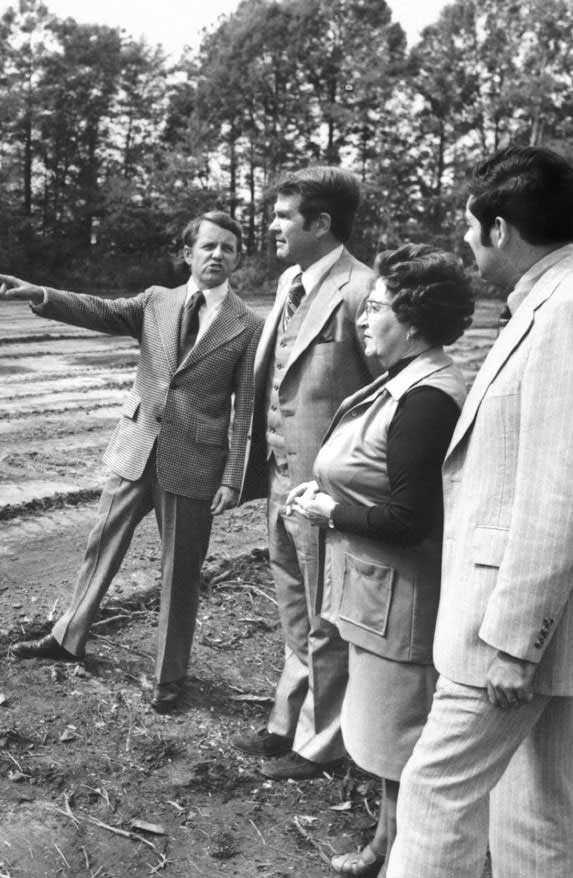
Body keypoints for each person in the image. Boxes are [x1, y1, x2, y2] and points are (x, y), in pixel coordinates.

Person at [386, 146, 573, 878]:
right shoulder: (560, 302)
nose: (467, 249)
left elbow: (565, 491)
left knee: (434, 793)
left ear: (501, 229)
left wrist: (515, 642)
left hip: (509, 625)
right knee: (532, 804)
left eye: (472, 231)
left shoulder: (571, 313)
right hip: (525, 619)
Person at [0, 210, 262, 714]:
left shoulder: (248, 325)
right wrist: (41, 295)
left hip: (195, 463)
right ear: (188, 253)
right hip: (135, 449)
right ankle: (68, 637)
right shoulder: (156, 301)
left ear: (238, 258)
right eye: (208, 246)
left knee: (181, 573)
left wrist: (233, 477)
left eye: (227, 247)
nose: (217, 255)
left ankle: (167, 676)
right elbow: (100, 310)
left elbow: (245, 408)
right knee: (100, 547)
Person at [286, 245, 474, 877]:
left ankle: (402, 856)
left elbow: (409, 518)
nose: (363, 319)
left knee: (406, 744)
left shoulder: (427, 398)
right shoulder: (405, 381)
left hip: (403, 604)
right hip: (379, 599)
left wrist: (327, 512)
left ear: (414, 321)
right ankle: (389, 848)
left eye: (374, 308)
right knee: (392, 742)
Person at [232, 167, 379, 780]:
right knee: (294, 607)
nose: (271, 225)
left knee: (327, 617)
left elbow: (381, 392)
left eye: (284, 216)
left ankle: (322, 745)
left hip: (328, 491)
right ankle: (285, 719)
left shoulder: (362, 290)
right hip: (278, 480)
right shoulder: (291, 280)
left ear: (321, 224)